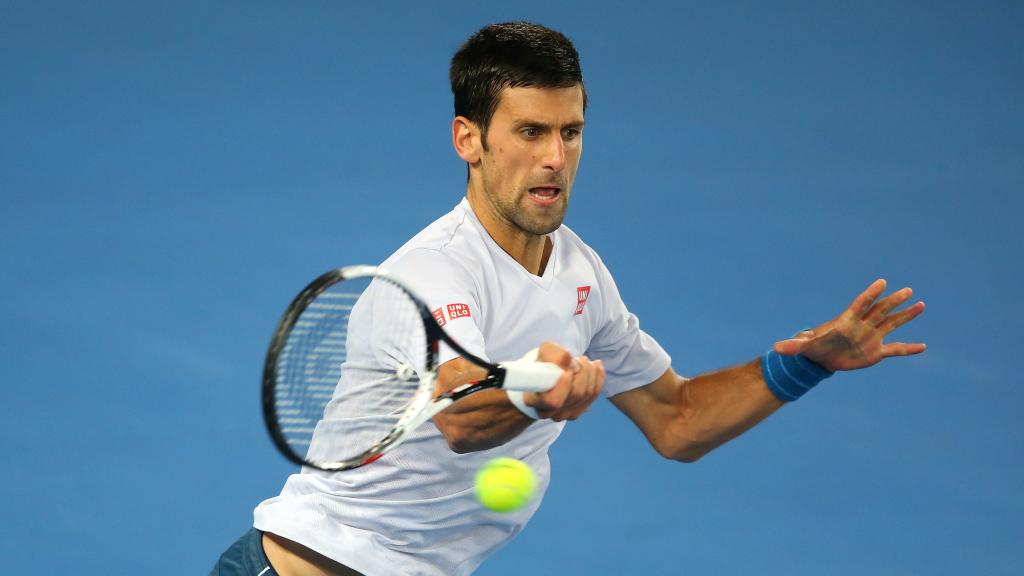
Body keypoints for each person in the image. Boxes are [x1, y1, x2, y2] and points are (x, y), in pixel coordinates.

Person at [210, 21, 926, 576]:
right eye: (529, 132)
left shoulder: (582, 275)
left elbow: (677, 420)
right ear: (470, 139)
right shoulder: (432, 273)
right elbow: (460, 414)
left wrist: (803, 367)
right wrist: (529, 396)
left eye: (570, 132)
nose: (555, 157)